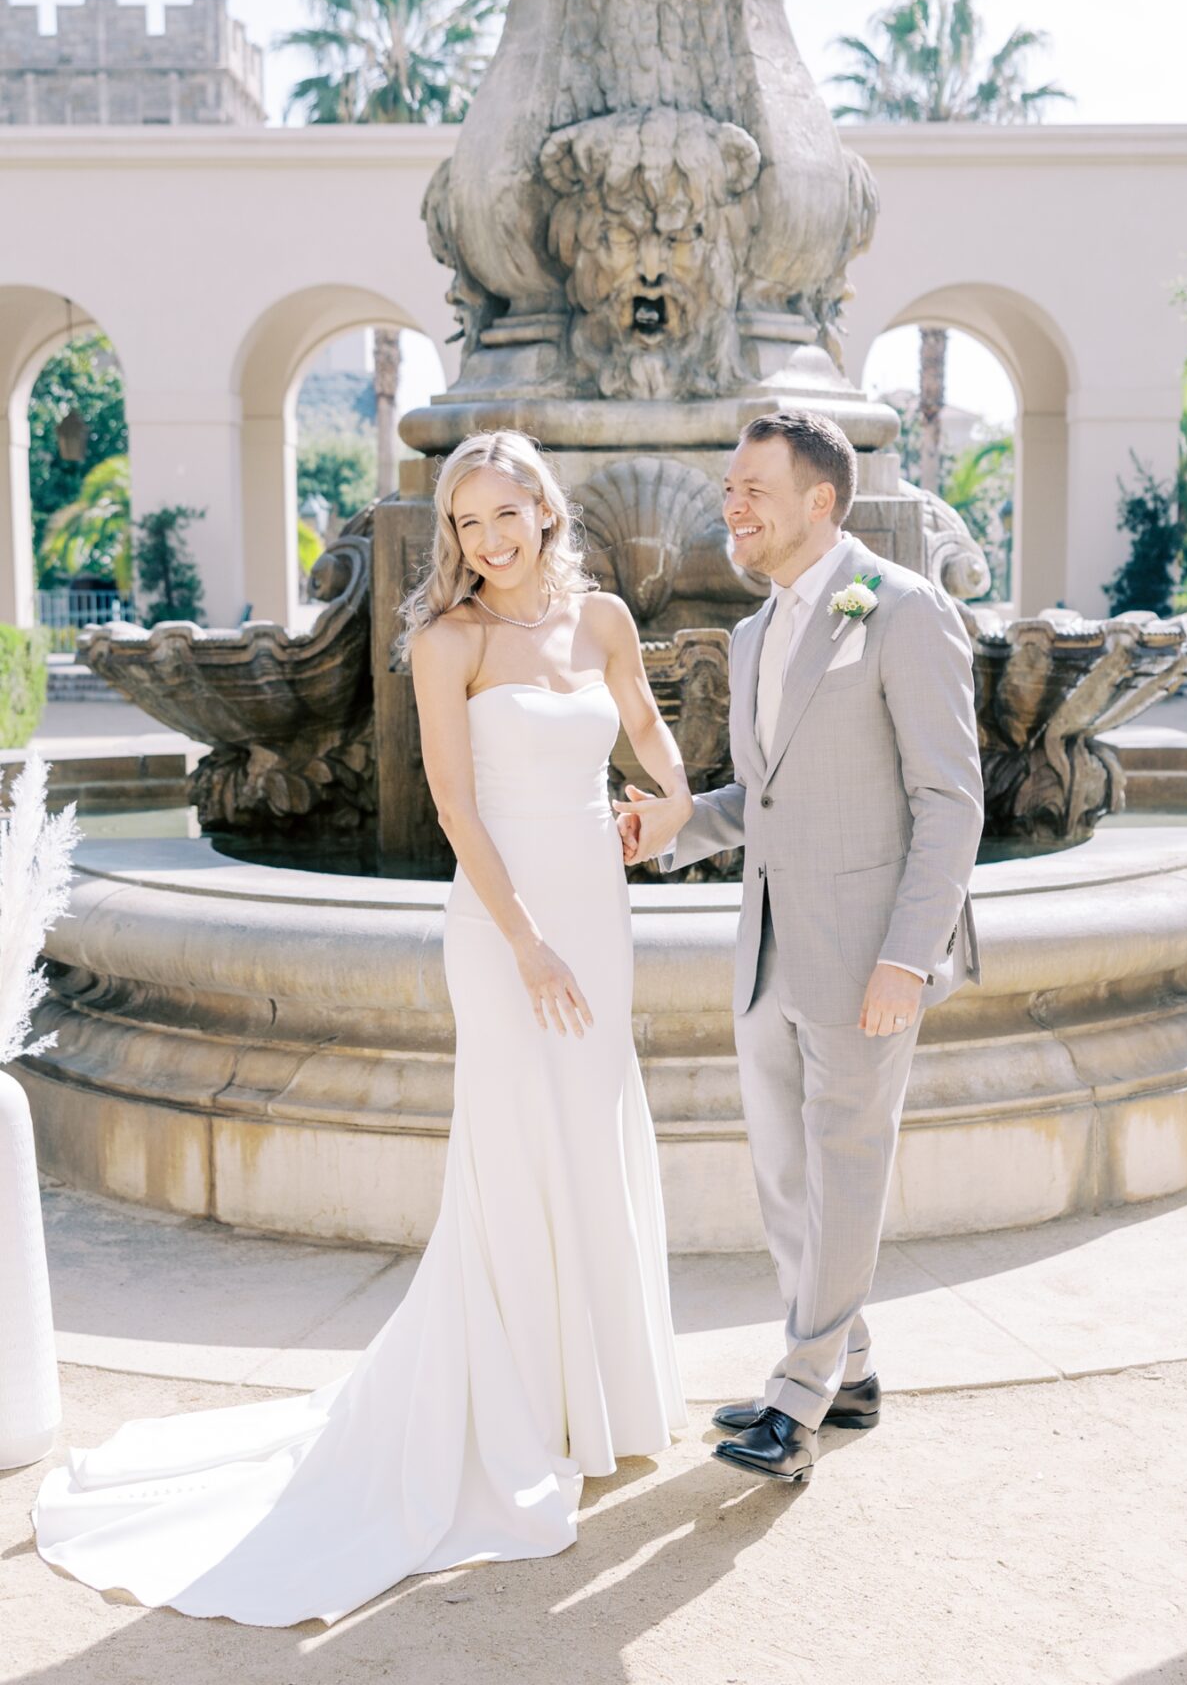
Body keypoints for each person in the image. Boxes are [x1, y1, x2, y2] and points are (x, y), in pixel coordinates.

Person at [31, 429, 688, 1627]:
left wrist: (676, 796)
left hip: (599, 909)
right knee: (515, 1146)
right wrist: (527, 937)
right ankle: (519, 1405)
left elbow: (644, 726)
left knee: (592, 1131)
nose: (487, 541)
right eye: (466, 524)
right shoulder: (445, 640)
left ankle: (599, 1402)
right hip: (505, 924)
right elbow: (449, 801)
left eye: (505, 514)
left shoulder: (599, 623)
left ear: (545, 510)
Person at [617, 409, 983, 1487]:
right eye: (728, 486)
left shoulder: (907, 611)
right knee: (784, 1175)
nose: (730, 504)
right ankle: (850, 1365)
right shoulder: (750, 632)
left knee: (846, 1169)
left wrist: (906, 957)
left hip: (868, 953)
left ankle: (798, 1393)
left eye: (751, 488)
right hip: (768, 951)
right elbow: (765, 797)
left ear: (820, 500)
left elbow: (950, 802)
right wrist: (679, 825)